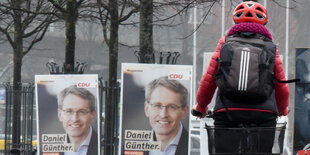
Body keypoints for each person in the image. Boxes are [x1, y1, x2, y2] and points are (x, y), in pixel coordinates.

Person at [192, 1, 289, 154]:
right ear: (264, 22)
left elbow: (209, 79)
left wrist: (201, 107)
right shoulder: (271, 47)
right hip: (263, 116)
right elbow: (281, 84)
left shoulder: (225, 43)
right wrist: (283, 109)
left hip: (228, 113)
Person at [144, 77, 189, 155]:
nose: (163, 115)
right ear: (147, 109)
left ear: (184, 112)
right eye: (157, 106)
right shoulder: (128, 147)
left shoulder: (196, 146)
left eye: (172, 107)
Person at [57, 85, 98, 155]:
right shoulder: (47, 148)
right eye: (69, 111)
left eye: (82, 112)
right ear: (60, 115)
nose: (75, 119)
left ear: (93, 115)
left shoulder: (104, 146)